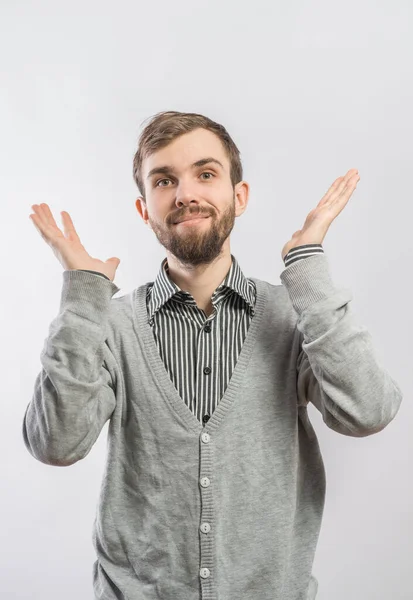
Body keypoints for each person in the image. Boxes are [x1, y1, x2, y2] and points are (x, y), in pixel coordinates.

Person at [23, 110, 403, 600]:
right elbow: (56, 443)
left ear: (238, 196)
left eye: (206, 174)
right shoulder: (109, 324)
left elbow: (368, 411)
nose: (186, 193)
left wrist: (307, 268)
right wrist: (82, 299)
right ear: (145, 209)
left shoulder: (296, 316)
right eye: (164, 180)